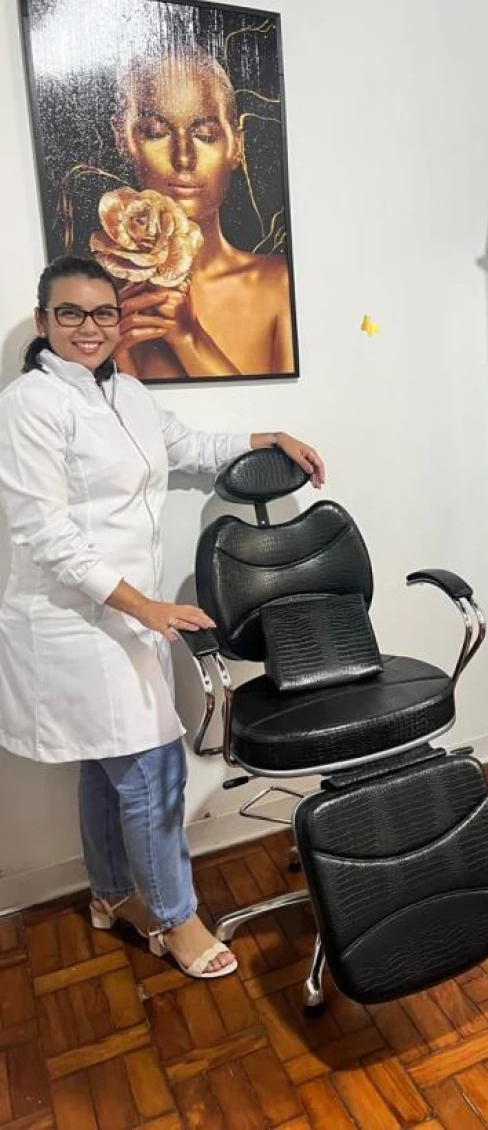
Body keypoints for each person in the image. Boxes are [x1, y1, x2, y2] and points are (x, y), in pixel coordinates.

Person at [0, 256, 324, 978]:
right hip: (71, 621)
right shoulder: (29, 404)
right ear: (45, 320)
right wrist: (145, 607)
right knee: (152, 772)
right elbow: (45, 533)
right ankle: (177, 920)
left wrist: (267, 438)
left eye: (103, 313)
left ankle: (112, 894)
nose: (89, 327)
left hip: (123, 618)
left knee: (103, 767)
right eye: (71, 313)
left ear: (119, 320)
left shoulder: (128, 393)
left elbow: (189, 448)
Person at [101, 48, 292, 381]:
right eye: (156, 132)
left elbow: (287, 408)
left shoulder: (279, 284)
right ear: (123, 138)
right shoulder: (103, 303)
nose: (184, 157)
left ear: (236, 145)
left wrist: (187, 338)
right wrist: (119, 356)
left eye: (206, 136)